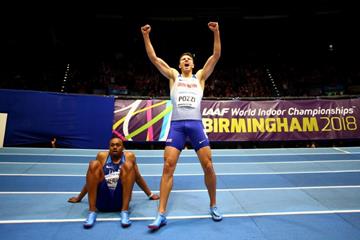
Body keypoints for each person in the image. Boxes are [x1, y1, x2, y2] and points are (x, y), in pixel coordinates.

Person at [141, 21, 222, 230]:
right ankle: (161, 214)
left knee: (209, 166)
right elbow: (154, 59)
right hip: (177, 126)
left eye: (189, 59)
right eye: (183, 59)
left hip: (195, 126)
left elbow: (215, 56)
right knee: (168, 167)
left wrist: (216, 32)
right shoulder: (173, 76)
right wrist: (146, 36)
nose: (186, 60)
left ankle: (213, 204)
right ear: (179, 65)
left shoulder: (200, 77)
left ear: (193, 64)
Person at [68, 137, 159, 229]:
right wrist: (79, 198)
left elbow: (137, 178)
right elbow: (92, 181)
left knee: (128, 165)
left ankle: (125, 211)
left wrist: (150, 194)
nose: (115, 147)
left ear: (123, 147)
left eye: (118, 145)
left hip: (120, 201)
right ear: (109, 148)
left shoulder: (129, 156)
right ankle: (92, 212)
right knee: (93, 164)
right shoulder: (102, 156)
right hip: (102, 201)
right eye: (112, 145)